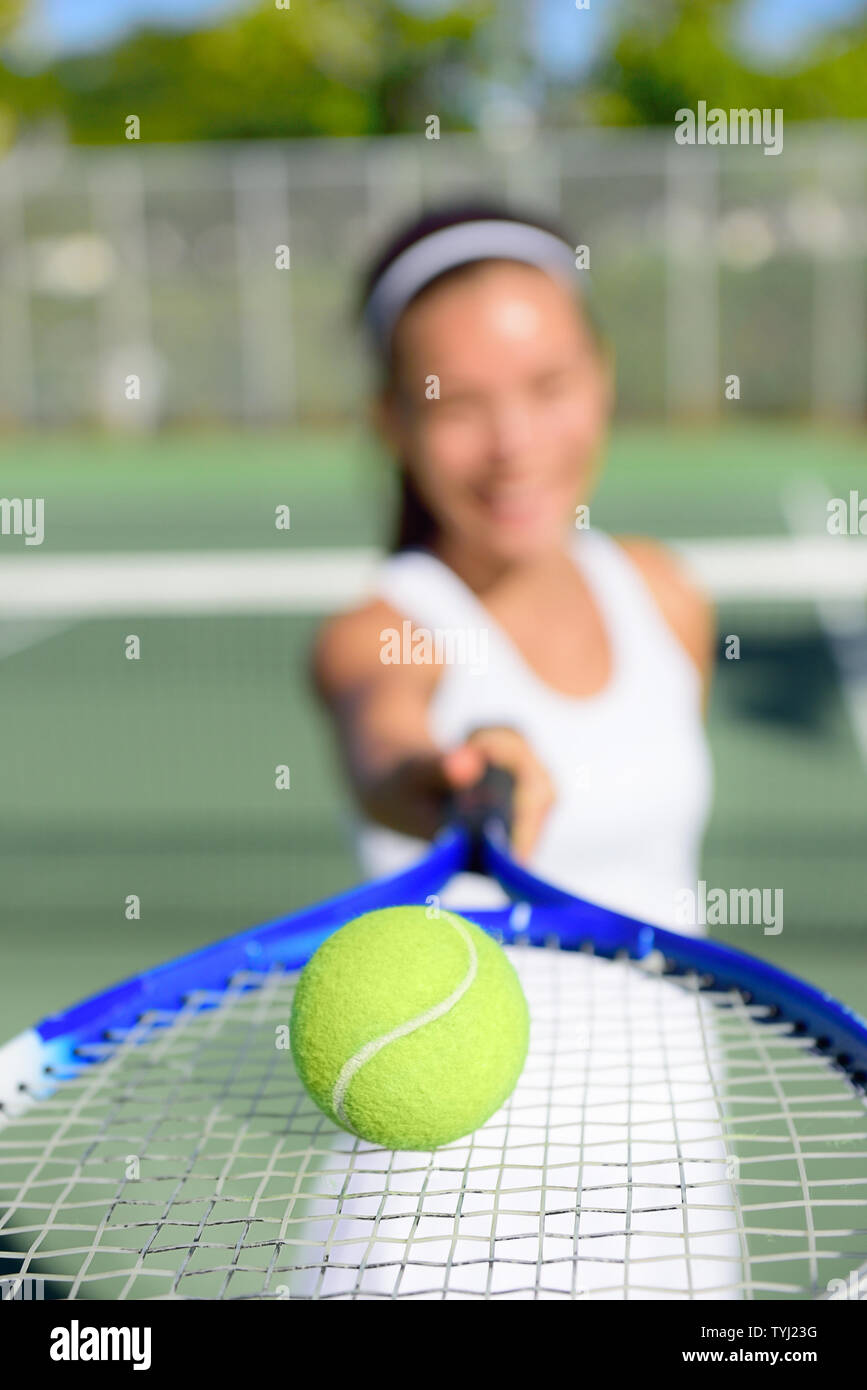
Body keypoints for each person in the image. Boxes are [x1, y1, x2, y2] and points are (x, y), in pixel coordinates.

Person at [313, 203, 715, 929]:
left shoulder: (667, 594)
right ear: (393, 423)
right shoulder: (375, 634)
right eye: (460, 405)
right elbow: (387, 757)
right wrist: (450, 779)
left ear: (603, 378)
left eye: (549, 386)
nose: (514, 444)